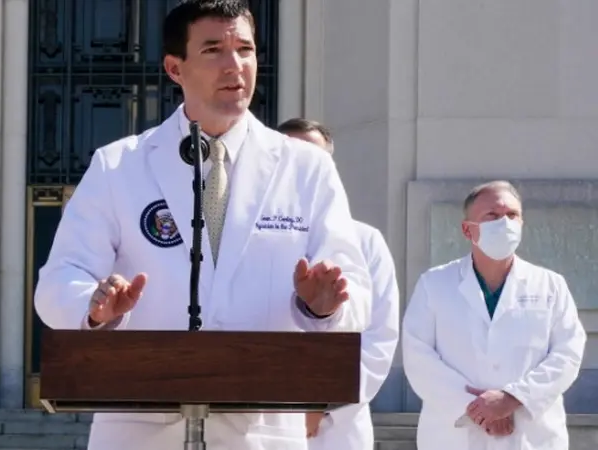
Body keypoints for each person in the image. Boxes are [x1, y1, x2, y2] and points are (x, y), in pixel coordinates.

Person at [33, 1, 372, 449]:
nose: (235, 65)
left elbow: (356, 294)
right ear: (175, 68)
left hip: (261, 430)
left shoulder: (306, 168)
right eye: (213, 49)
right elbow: (58, 282)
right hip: (140, 428)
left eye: (246, 49)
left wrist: (322, 306)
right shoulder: (118, 165)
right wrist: (95, 311)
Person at [402, 180, 586, 450]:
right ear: (468, 230)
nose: (505, 223)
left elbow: (568, 352)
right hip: (455, 436)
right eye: (492, 216)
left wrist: (512, 399)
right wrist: (477, 409)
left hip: (531, 435)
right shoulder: (434, 284)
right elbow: (418, 356)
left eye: (512, 215)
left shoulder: (550, 285)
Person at [278, 118, 400, 450]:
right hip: (265, 416)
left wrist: (323, 402)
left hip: (338, 427)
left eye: (312, 158)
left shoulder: (365, 241)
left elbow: (378, 337)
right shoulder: (251, 238)